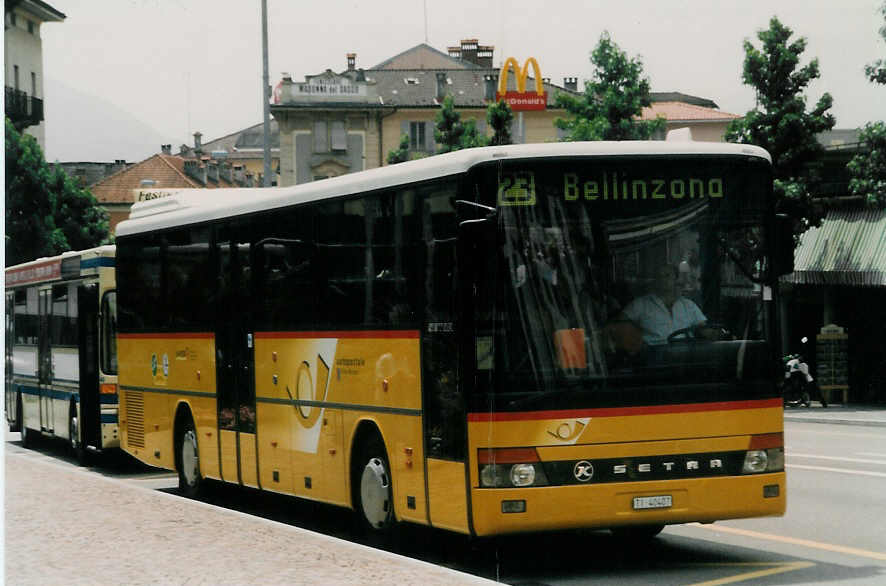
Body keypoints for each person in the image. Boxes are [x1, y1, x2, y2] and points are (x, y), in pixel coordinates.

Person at [620, 263, 715, 346]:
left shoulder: (688, 305)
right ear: (655, 280)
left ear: (675, 279)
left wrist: (717, 334)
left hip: (685, 357)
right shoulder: (640, 304)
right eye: (659, 276)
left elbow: (704, 329)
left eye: (667, 275)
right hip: (653, 357)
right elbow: (619, 324)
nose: (663, 279)